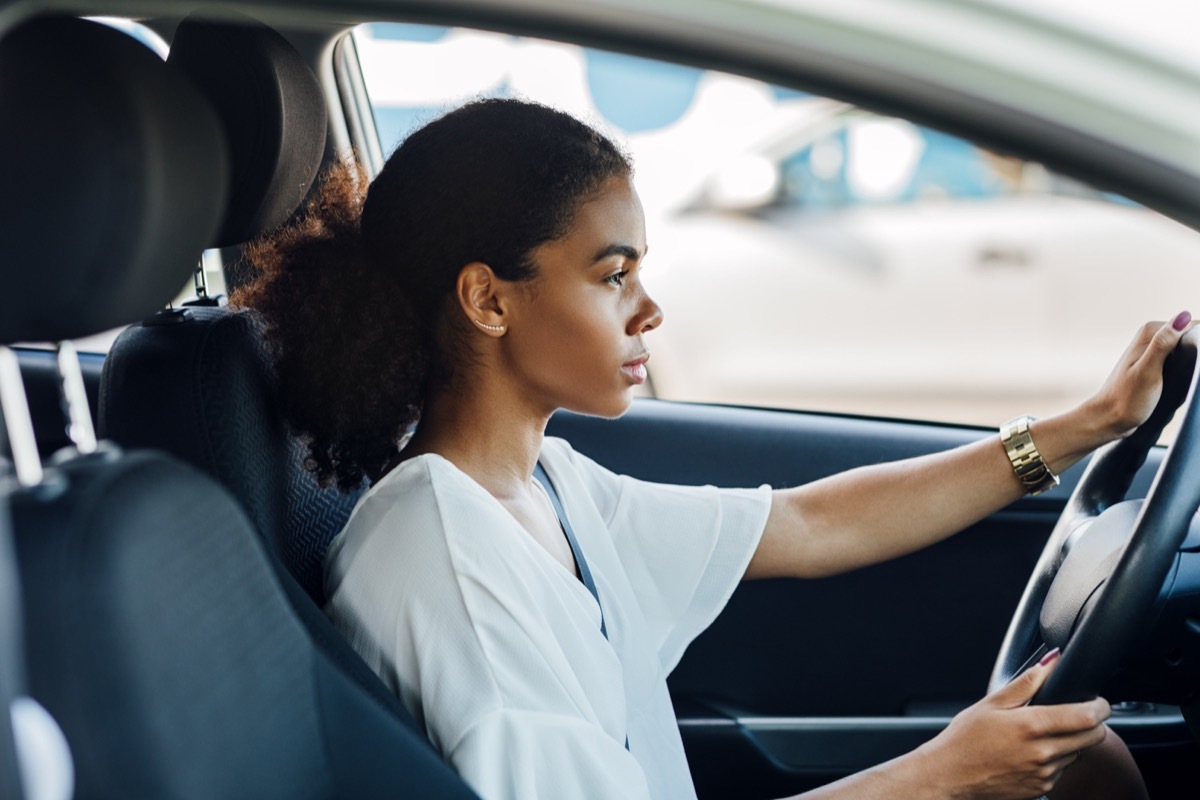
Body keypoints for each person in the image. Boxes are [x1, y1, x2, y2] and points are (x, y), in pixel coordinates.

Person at [233, 98, 1170, 800]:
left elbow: (809, 525)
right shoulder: (443, 563)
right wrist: (943, 772)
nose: (650, 310)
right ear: (489, 300)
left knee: (1084, 758)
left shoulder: (544, 487)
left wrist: (1083, 428)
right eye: (614, 275)